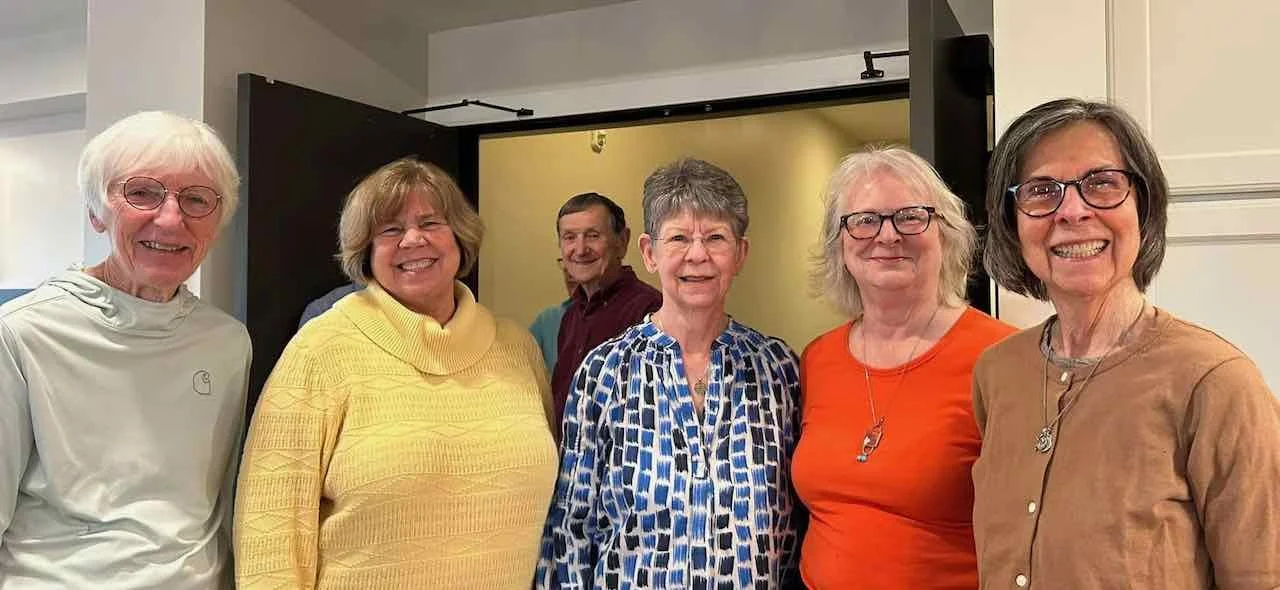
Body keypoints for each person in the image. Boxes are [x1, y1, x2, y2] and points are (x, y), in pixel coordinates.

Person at [974, 98, 1280, 589]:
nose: (1072, 211)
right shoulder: (996, 372)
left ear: (1144, 205)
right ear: (1013, 221)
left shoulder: (1216, 383)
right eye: (1041, 191)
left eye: (1102, 183)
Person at [234, 157, 558, 588]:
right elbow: (269, 529)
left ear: (460, 237)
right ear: (365, 252)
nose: (412, 240)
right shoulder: (321, 350)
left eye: (431, 222)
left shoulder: (516, 348)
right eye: (389, 229)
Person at [0, 111, 250, 588]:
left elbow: (223, 506)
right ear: (97, 212)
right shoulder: (22, 333)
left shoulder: (226, 343)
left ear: (217, 225)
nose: (171, 218)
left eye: (197, 199)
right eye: (142, 193)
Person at [537, 158, 802, 589]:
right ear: (648, 252)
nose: (697, 255)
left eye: (716, 237)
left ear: (741, 254)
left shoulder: (779, 370)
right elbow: (569, 533)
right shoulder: (604, 372)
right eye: (678, 237)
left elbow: (798, 529)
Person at [793, 147, 1015, 589]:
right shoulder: (817, 358)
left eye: (911, 216)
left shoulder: (1003, 357)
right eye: (864, 220)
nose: (888, 236)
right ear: (840, 244)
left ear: (947, 234)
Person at [550, 192, 661, 431]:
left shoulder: (649, 312)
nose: (580, 250)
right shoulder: (570, 317)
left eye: (593, 236)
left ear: (622, 241)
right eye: (569, 237)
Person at [529, 258, 576, 372]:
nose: (567, 270)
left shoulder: (618, 317)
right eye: (565, 260)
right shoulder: (547, 320)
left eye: (576, 261)